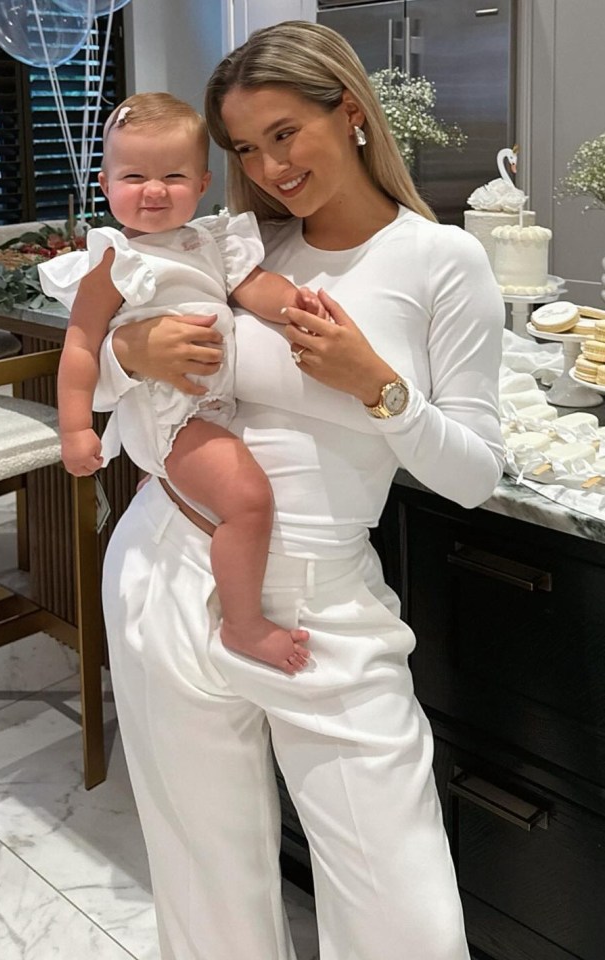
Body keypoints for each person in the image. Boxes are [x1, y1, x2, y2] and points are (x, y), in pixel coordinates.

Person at [96, 20, 505, 960]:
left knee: (409, 923)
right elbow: (121, 382)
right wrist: (130, 348)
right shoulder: (237, 248)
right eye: (245, 147)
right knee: (207, 887)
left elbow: (474, 475)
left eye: (286, 132)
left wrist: (380, 389)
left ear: (350, 114)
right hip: (167, 568)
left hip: (324, 608)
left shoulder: (440, 262)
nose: (270, 166)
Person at [40, 91, 330, 673]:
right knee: (248, 500)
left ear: (201, 184)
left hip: (211, 405)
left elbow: (255, 286)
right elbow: (80, 346)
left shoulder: (210, 241)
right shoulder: (111, 260)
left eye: (172, 175)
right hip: (171, 414)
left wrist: (298, 304)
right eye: (134, 176)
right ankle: (244, 625)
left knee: (230, 500)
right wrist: (75, 429)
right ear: (105, 184)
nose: (153, 190)